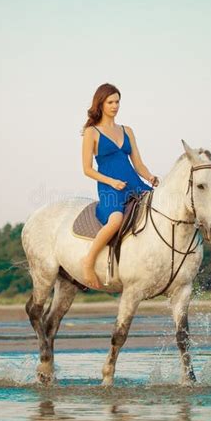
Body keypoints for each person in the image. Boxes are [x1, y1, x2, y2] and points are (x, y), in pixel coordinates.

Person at [81, 83, 159, 289]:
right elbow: (87, 169)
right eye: (110, 102)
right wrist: (111, 181)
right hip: (109, 188)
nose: (115, 106)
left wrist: (150, 177)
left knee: (160, 209)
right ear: (101, 103)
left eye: (117, 102)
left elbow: (138, 164)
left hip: (134, 184)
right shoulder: (92, 132)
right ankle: (88, 262)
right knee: (115, 221)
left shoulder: (127, 131)